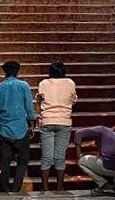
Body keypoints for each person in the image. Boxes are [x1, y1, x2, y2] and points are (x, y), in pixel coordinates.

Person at [0, 60, 37, 193]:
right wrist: (32, 123)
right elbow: (29, 107)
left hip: (5, 130)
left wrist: (1, 119)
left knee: (4, 162)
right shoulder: (23, 86)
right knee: (22, 162)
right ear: (17, 71)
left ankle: (4, 188)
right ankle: (16, 188)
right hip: (21, 128)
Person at [37, 61, 78, 192]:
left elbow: (39, 100)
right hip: (64, 122)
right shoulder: (70, 83)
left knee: (46, 156)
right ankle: (60, 187)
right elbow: (74, 100)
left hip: (47, 121)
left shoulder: (43, 83)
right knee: (60, 156)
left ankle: (45, 188)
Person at [75, 125, 115, 194]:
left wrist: (78, 152)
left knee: (81, 161)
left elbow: (78, 133)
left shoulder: (101, 129)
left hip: (111, 168)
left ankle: (103, 184)